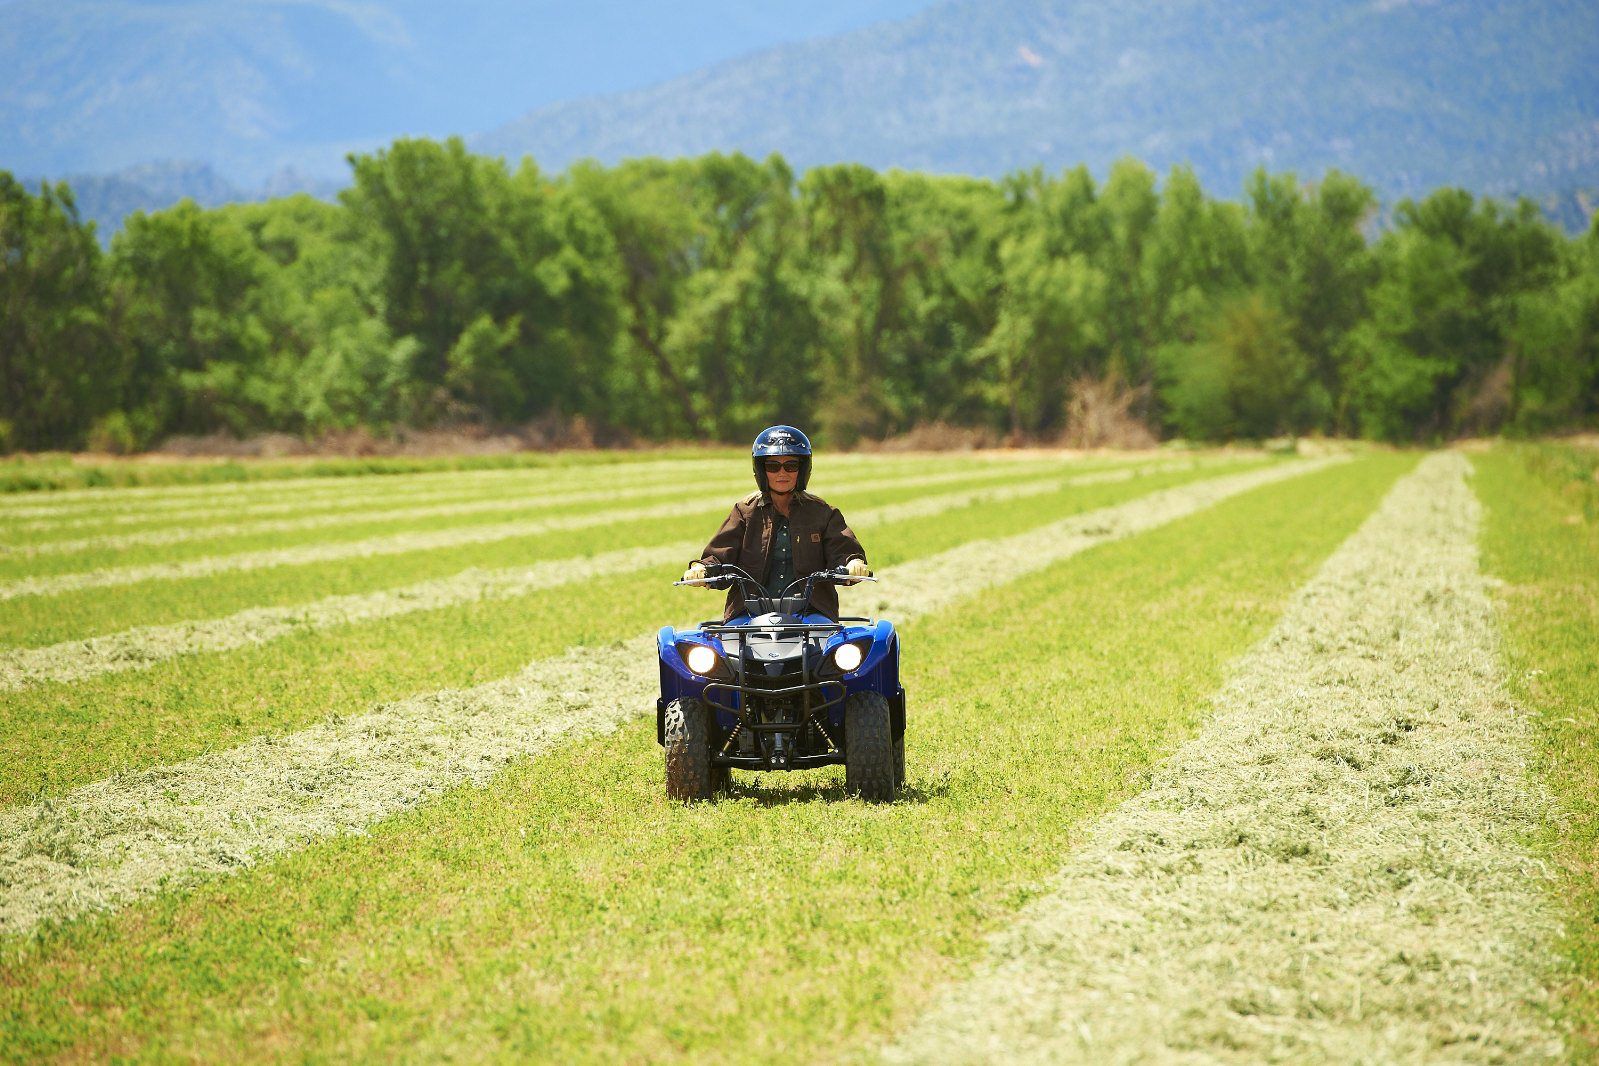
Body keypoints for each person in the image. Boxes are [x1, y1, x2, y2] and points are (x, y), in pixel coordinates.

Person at [682, 426, 871, 620]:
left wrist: (853, 562)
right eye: (773, 466)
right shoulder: (745, 511)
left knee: (832, 647)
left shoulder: (822, 512)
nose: (782, 473)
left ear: (802, 469)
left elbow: (842, 549)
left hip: (811, 611)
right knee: (724, 648)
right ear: (762, 470)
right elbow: (720, 554)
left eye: (791, 465)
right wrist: (701, 568)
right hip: (749, 610)